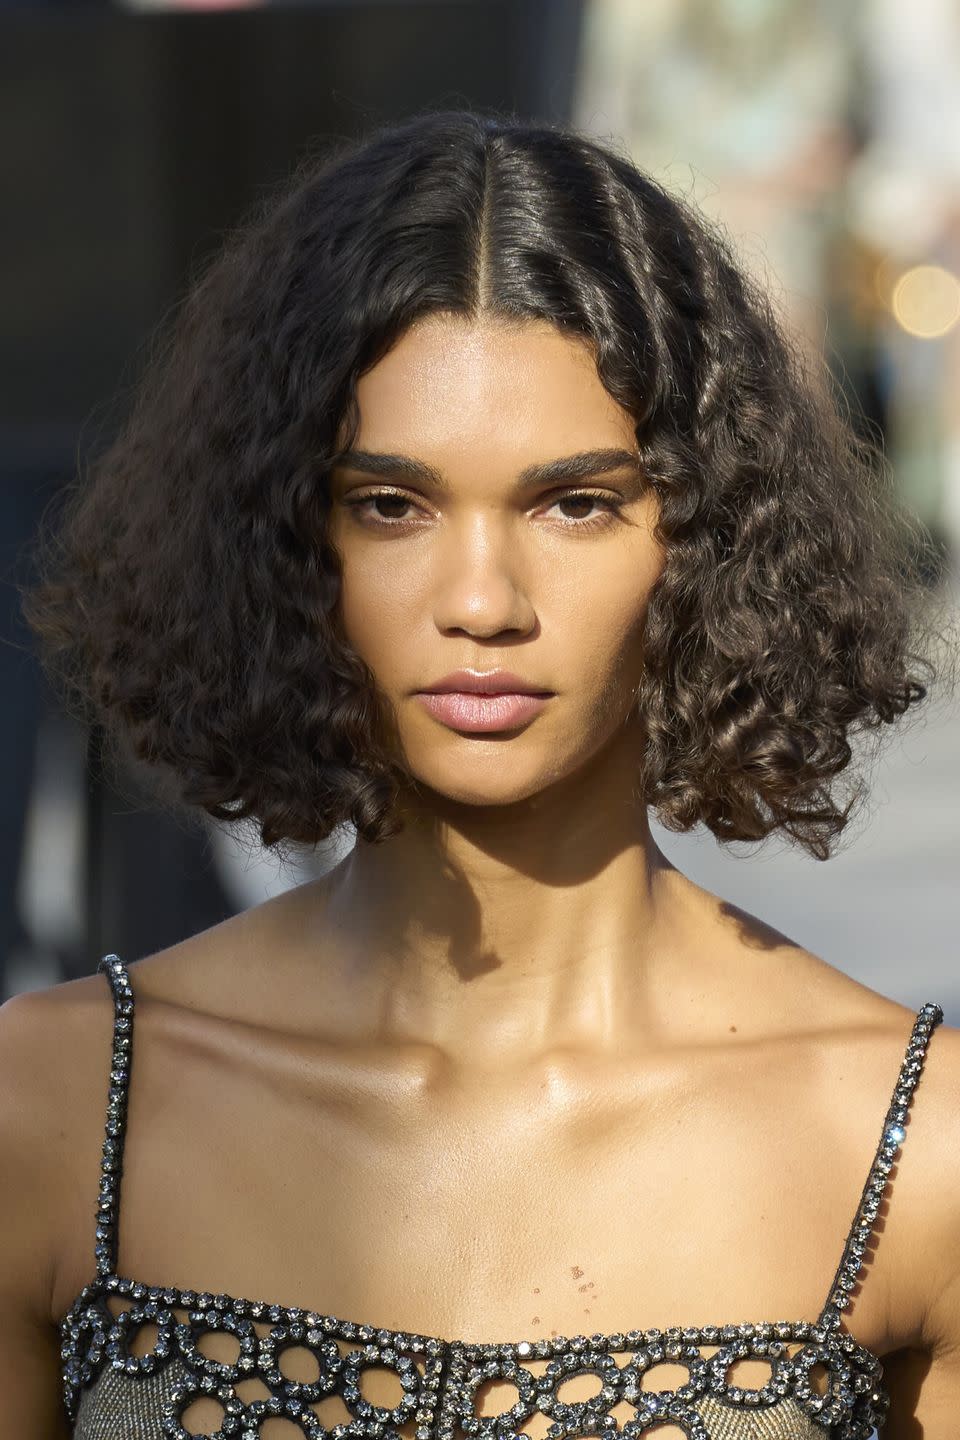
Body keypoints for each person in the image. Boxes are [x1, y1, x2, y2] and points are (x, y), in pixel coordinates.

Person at [2, 107, 958, 1440]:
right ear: (285, 540)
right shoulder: (45, 1111)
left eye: (575, 503)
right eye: (390, 504)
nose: (482, 600)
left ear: (702, 537)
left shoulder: (914, 1153)